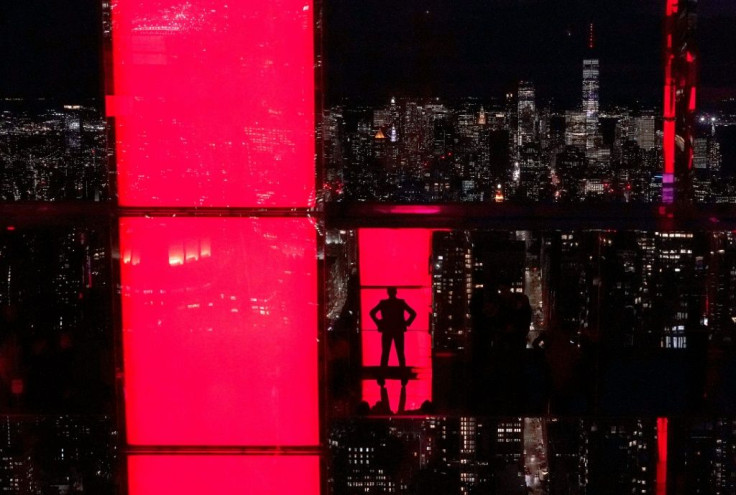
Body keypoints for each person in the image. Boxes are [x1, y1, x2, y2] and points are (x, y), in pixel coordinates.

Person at [369, 287, 416, 384]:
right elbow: (413, 313)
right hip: (398, 330)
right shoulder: (400, 303)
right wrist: (406, 323)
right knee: (400, 354)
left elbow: (372, 313)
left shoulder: (383, 303)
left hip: (387, 330)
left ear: (388, 293)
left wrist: (379, 323)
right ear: (396, 292)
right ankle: (403, 377)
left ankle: (382, 377)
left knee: (385, 354)